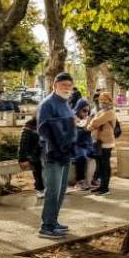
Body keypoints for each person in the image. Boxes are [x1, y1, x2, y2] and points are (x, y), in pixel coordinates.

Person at [37, 72, 77, 239]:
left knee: (61, 190)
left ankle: (53, 222)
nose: (67, 88)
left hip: (66, 152)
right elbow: (43, 129)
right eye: (63, 85)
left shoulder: (65, 102)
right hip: (52, 153)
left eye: (69, 85)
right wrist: (55, 148)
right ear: (54, 85)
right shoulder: (47, 104)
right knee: (52, 191)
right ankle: (46, 227)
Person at [87, 92, 117, 196]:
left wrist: (90, 125)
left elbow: (95, 122)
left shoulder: (109, 112)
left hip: (106, 143)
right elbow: (93, 120)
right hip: (99, 142)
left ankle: (105, 188)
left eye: (105, 100)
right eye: (101, 100)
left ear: (110, 101)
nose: (102, 102)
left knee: (105, 165)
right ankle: (101, 186)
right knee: (100, 165)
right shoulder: (102, 111)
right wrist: (92, 123)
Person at [18, 117, 45, 199]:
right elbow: (23, 144)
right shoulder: (29, 126)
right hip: (33, 154)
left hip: (44, 152)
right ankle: (40, 188)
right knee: (38, 164)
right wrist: (22, 159)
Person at [73, 99, 95, 191]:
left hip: (88, 144)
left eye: (88, 111)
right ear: (78, 109)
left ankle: (95, 178)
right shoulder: (73, 118)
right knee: (81, 157)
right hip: (77, 145)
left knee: (101, 154)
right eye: (84, 110)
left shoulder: (88, 119)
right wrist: (84, 129)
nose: (86, 113)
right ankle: (80, 180)